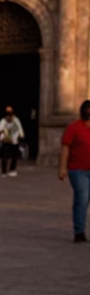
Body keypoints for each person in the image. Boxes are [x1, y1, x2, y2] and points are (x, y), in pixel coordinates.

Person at [58, 99, 90, 243]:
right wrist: (62, 168)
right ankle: (79, 231)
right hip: (78, 170)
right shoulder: (73, 127)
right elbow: (66, 148)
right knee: (82, 199)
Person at [0, 107, 25, 177]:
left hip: (14, 140)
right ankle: (4, 171)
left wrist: (21, 134)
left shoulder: (16, 120)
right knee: (5, 156)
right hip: (6, 140)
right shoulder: (3, 121)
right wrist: (1, 131)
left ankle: (12, 169)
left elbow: (19, 127)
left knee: (14, 155)